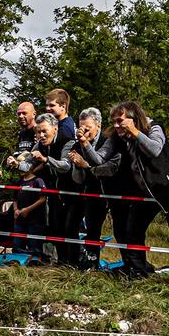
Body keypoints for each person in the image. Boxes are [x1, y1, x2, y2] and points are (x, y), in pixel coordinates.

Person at [84, 102, 169, 281]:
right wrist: (85, 144)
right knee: (131, 232)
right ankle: (139, 273)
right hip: (145, 194)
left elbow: (154, 150)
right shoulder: (116, 136)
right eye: (114, 121)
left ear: (133, 118)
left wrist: (135, 132)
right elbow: (99, 158)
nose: (117, 126)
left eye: (120, 121)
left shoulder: (154, 128)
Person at [18, 114, 77, 265]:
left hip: (73, 192)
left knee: (70, 229)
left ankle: (74, 263)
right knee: (56, 229)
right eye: (38, 132)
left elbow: (65, 166)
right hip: (54, 193)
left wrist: (45, 160)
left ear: (55, 128)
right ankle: (62, 263)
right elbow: (28, 165)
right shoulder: (40, 145)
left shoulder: (67, 142)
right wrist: (16, 164)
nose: (41, 136)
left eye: (44, 131)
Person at [69, 107, 116, 266]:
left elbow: (104, 168)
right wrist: (76, 165)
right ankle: (73, 261)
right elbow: (77, 179)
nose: (84, 132)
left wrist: (85, 165)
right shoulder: (76, 145)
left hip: (100, 193)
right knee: (70, 227)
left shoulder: (107, 143)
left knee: (93, 230)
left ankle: (92, 263)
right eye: (81, 128)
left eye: (87, 129)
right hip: (80, 191)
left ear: (99, 126)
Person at [11, 161, 49, 259]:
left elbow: (43, 198)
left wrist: (28, 209)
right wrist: (15, 209)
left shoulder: (38, 181)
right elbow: (14, 198)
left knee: (35, 247)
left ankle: (35, 265)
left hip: (35, 220)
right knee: (17, 245)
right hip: (19, 220)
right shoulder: (19, 182)